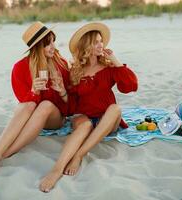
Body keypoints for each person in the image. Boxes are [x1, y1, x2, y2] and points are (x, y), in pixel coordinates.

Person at [39, 22, 138, 192]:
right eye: (95, 42)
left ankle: (78, 155)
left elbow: (130, 86)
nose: (101, 45)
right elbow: (71, 106)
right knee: (84, 124)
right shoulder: (76, 71)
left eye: (101, 41)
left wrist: (116, 61)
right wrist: (63, 92)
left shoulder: (109, 67)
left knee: (116, 109)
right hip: (84, 117)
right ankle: (57, 169)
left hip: (106, 120)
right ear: (86, 46)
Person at [0, 21, 72, 181]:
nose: (53, 47)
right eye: (47, 44)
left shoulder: (61, 64)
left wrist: (62, 92)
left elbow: (70, 108)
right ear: (36, 47)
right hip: (33, 117)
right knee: (30, 104)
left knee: (46, 105)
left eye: (53, 41)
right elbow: (25, 106)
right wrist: (34, 91)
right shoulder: (20, 68)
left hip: (56, 117)